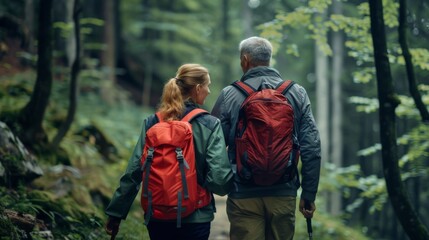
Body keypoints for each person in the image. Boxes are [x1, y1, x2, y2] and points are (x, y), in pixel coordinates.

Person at [105, 63, 234, 240]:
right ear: (197, 88)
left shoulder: (152, 122)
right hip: (196, 216)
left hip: (157, 214)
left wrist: (116, 212)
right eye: (207, 85)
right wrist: (200, 181)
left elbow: (134, 170)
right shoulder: (210, 124)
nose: (209, 91)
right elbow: (220, 180)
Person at [211, 36, 321, 240]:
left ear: (245, 59)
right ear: (269, 59)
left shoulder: (229, 94)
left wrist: (222, 184)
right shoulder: (297, 93)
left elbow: (213, 147)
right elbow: (312, 146)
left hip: (243, 191)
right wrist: (308, 193)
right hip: (283, 190)